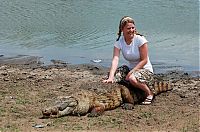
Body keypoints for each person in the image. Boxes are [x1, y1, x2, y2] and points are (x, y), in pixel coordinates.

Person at [103, 16, 155, 105]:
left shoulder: (140, 39)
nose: (131, 30)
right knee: (112, 77)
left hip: (145, 69)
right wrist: (111, 77)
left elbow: (144, 60)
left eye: (133, 28)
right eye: (128, 28)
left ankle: (149, 93)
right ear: (122, 29)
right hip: (131, 69)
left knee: (132, 78)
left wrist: (131, 72)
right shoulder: (119, 41)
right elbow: (115, 59)